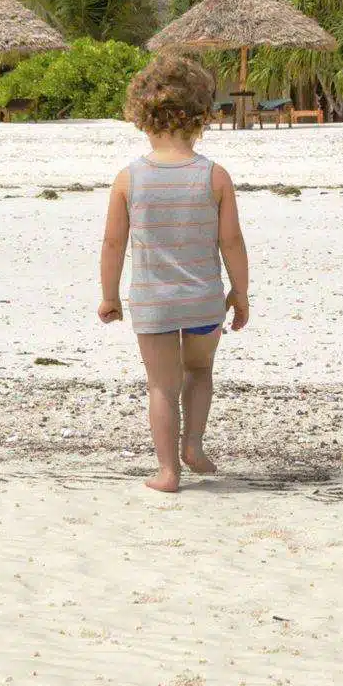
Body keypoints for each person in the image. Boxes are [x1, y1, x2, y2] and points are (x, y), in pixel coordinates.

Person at [98, 53, 251, 492]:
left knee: (161, 387)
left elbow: (113, 244)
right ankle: (194, 445)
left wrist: (109, 296)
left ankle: (168, 472)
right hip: (203, 298)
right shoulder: (215, 176)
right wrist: (240, 293)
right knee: (199, 371)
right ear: (203, 116)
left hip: (153, 301)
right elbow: (231, 242)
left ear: (141, 116)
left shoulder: (128, 179)